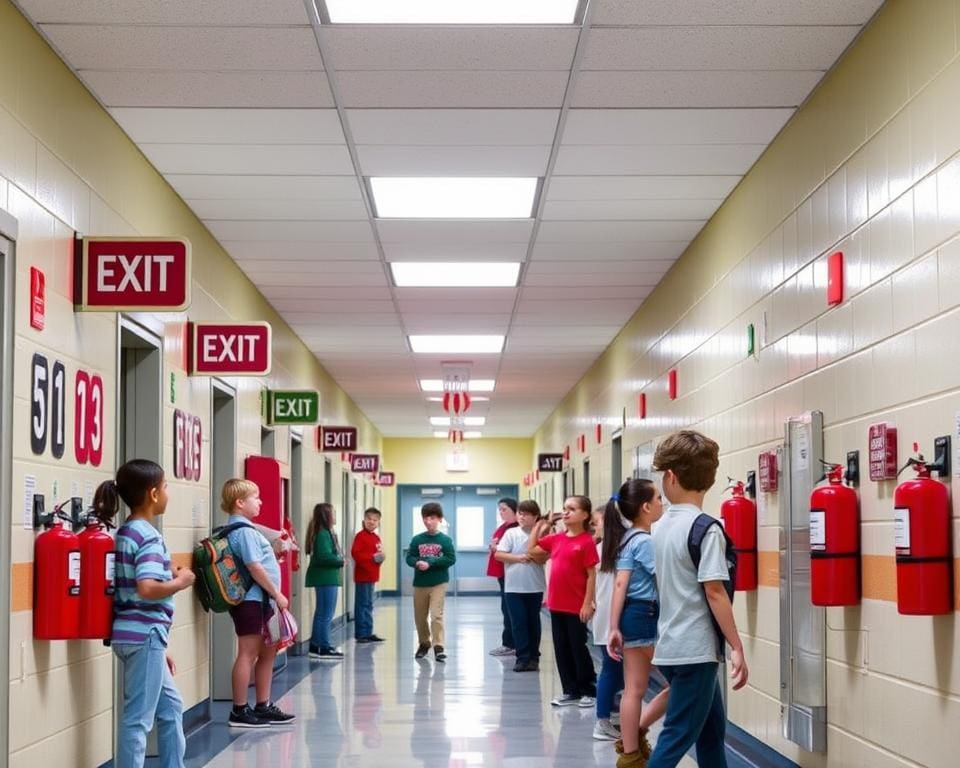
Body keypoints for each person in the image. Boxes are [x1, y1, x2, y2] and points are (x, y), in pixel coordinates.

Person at [646, 431, 749, 768]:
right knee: (676, 736)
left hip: (673, 646)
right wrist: (736, 646)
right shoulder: (708, 528)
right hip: (696, 650)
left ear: (671, 477)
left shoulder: (659, 527)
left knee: (709, 731)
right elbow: (715, 591)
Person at [93, 459, 195, 768]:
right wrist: (181, 581)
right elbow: (147, 588)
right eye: (165, 487)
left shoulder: (126, 531)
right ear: (152, 494)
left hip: (136, 634)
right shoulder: (148, 535)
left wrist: (159, 649)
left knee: (172, 708)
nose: (168, 493)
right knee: (137, 720)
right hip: (144, 635)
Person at [605, 479, 671, 767]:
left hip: (631, 616)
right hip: (646, 616)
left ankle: (630, 754)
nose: (662, 503)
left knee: (634, 689)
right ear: (645, 507)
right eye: (658, 498)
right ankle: (639, 730)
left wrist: (614, 626)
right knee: (684, 682)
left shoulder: (627, 539)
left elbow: (620, 585)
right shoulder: (645, 542)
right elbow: (669, 580)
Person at [222, 478, 295, 727]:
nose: (260, 501)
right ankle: (239, 710)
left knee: (268, 651)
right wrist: (277, 593)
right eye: (256, 497)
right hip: (253, 601)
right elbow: (254, 567)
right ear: (240, 503)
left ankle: (262, 705)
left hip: (263, 602)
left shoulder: (248, 530)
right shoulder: (243, 532)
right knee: (248, 653)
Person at [528, 495, 598, 708]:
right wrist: (543, 524)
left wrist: (588, 603)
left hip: (576, 605)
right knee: (561, 648)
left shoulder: (586, 542)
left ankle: (588, 690)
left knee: (578, 648)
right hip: (556, 604)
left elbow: (591, 576)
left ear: (585, 515)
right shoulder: (557, 538)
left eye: (572, 509)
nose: (566, 512)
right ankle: (570, 691)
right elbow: (531, 550)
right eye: (565, 508)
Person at [495, 499, 546, 672]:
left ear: (535, 517)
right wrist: (519, 558)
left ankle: (534, 657)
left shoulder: (542, 534)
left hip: (535, 586)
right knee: (518, 622)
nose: (522, 517)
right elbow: (499, 555)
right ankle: (522, 657)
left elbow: (544, 556)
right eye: (520, 513)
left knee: (533, 622)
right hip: (513, 588)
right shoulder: (511, 533)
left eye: (526, 514)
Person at [405, 502, 456, 662]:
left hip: (438, 583)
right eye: (425, 518)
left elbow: (450, 558)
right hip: (420, 583)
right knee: (420, 617)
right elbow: (409, 557)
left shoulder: (445, 540)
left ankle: (439, 646)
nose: (428, 521)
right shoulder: (417, 539)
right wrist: (417, 562)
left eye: (432, 518)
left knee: (436, 615)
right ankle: (424, 643)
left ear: (439, 519)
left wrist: (431, 563)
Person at [591, 502, 623, 742]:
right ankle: (602, 720)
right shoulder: (604, 550)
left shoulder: (613, 549)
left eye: (597, 522)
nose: (595, 527)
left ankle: (612, 715)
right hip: (610, 617)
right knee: (611, 670)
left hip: (609, 616)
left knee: (615, 669)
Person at [305, 502, 345, 659]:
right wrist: (340, 560)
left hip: (326, 577)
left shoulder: (324, 532)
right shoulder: (323, 534)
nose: (334, 516)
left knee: (322, 612)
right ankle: (323, 647)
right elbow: (324, 556)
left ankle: (317, 645)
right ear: (326, 516)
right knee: (325, 614)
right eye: (333, 513)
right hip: (325, 577)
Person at [487, 496, 519, 656]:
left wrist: (496, 548)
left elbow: (509, 550)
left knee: (509, 609)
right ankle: (509, 643)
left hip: (510, 573)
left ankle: (510, 644)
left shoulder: (514, 528)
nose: (501, 512)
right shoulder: (505, 526)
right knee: (505, 608)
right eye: (499, 509)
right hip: (502, 573)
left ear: (514, 510)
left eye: (504, 509)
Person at [351, 506, 386, 643]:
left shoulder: (376, 537)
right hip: (363, 575)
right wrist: (372, 559)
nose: (371, 522)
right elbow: (356, 554)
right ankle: (361, 634)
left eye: (375, 520)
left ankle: (368, 631)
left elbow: (379, 553)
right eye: (369, 519)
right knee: (362, 604)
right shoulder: (361, 536)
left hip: (372, 575)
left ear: (378, 522)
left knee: (369, 604)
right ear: (364, 520)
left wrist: (381, 558)